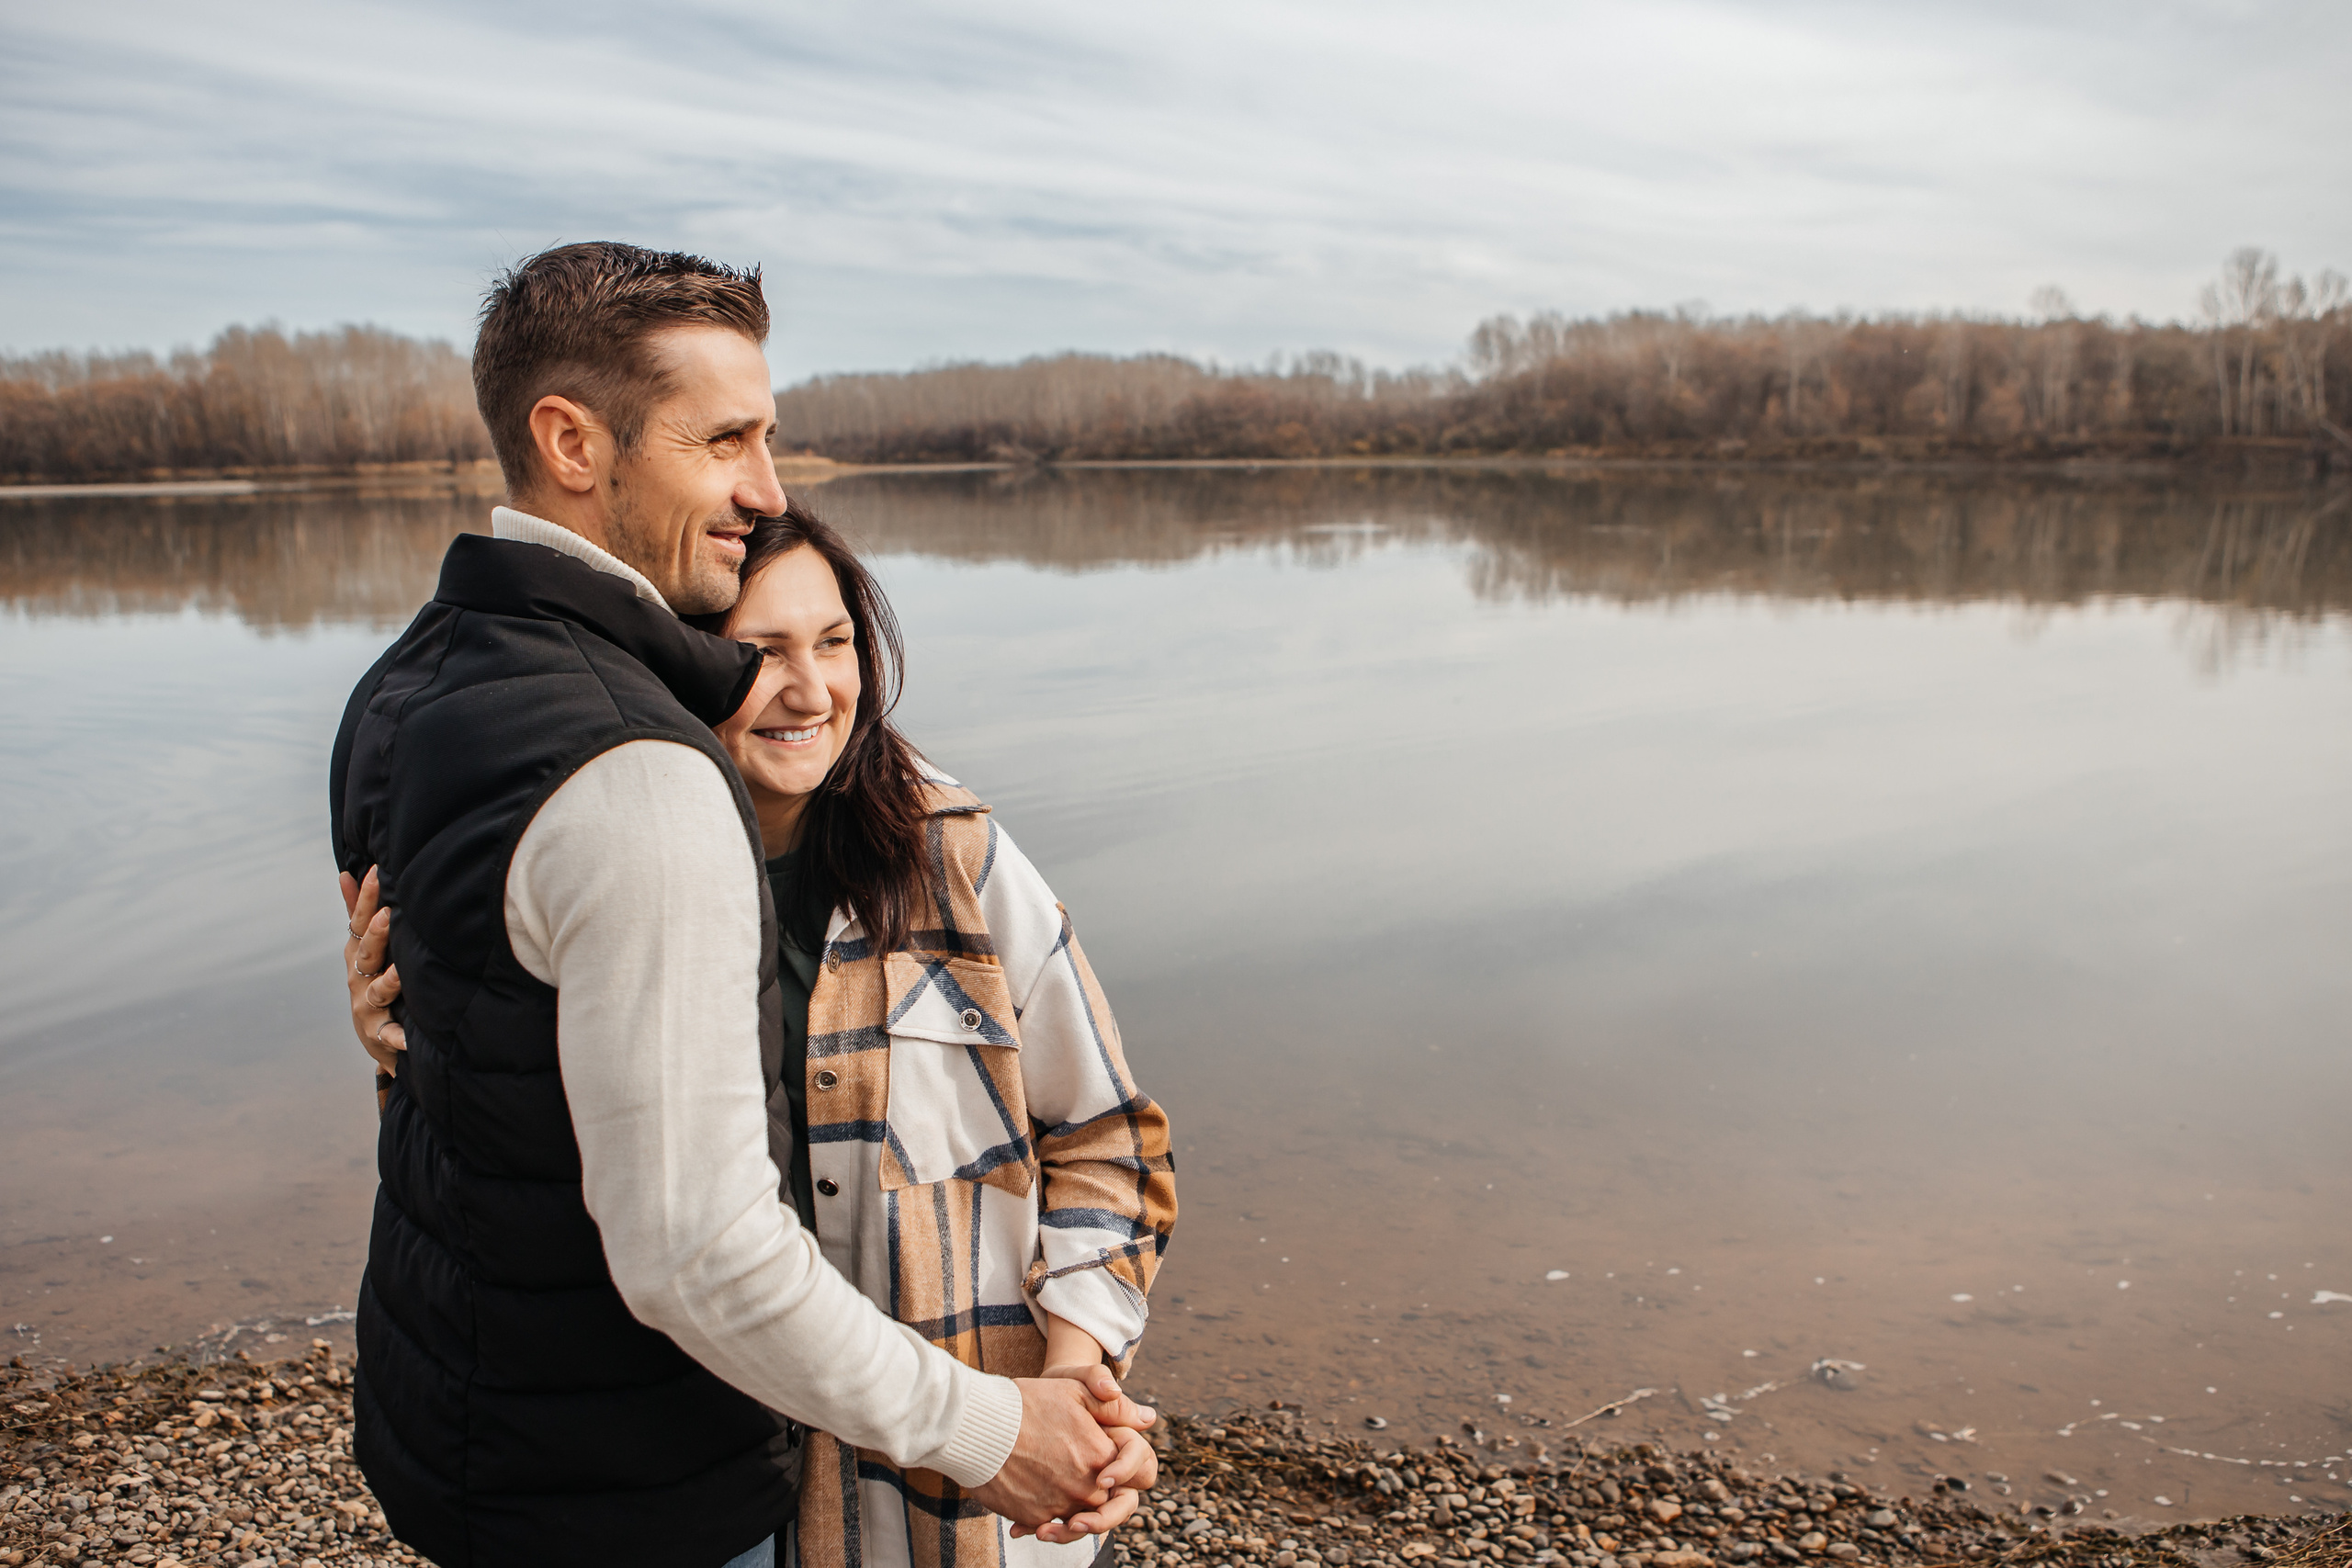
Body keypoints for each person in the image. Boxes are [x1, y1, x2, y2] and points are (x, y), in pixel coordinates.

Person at [328, 242, 1158, 1568]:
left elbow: (1109, 1137)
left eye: (834, 644)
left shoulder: (409, 693)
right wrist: (1001, 1432)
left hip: (494, 1449)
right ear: (573, 443)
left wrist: (1070, 1381)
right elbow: (699, 1254)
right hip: (655, 1483)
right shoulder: (637, 780)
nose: (764, 482)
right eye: (727, 439)